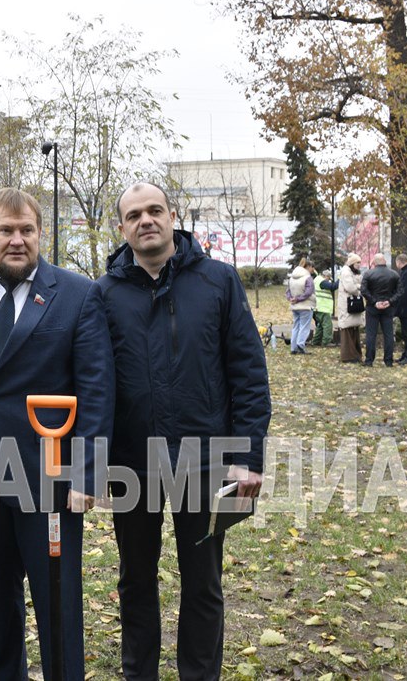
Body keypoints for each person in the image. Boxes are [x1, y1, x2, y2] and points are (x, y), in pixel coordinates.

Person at [0, 187, 114, 680]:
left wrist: (88, 473)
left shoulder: (77, 294)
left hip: (50, 478)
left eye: (27, 230)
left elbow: (97, 389)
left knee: (57, 599)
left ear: (41, 233)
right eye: (5, 230)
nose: (17, 240)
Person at [98, 182, 271, 681]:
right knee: (135, 579)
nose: (145, 220)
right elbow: (96, 382)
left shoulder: (218, 281)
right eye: (134, 215)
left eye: (155, 210)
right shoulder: (105, 294)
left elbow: (248, 373)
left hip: (208, 461)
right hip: (133, 463)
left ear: (173, 216)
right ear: (122, 226)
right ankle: (140, 674)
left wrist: (248, 456)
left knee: (202, 582)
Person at [360, 253, 402, 367]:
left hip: (372, 308)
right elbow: (400, 292)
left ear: (374, 262)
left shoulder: (368, 274)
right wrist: (390, 301)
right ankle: (388, 360)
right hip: (388, 308)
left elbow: (363, 290)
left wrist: (374, 302)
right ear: (384, 261)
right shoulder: (394, 274)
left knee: (371, 334)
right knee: (388, 334)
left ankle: (369, 360)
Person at [335, 253, 364, 363]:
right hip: (347, 305)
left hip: (351, 304)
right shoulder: (346, 272)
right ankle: (348, 356)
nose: (359, 265)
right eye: (357, 262)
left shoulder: (351, 272)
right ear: (352, 263)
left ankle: (354, 354)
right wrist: (358, 290)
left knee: (353, 328)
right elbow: (350, 287)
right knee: (347, 328)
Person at [285, 257, 316, 354]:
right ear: (308, 267)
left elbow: (288, 291)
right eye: (312, 267)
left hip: (295, 306)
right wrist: (298, 298)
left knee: (296, 326)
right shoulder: (308, 278)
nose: (313, 270)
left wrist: (291, 298)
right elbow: (308, 292)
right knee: (304, 327)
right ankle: (301, 344)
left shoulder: (292, 277)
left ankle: (293, 348)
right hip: (306, 306)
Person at [314, 269, 336, 347]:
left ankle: (316, 341)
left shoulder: (317, 280)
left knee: (320, 325)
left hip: (319, 307)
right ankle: (326, 342)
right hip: (323, 307)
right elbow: (333, 286)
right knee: (328, 325)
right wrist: (341, 280)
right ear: (326, 276)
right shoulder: (321, 281)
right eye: (329, 279)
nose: (329, 281)